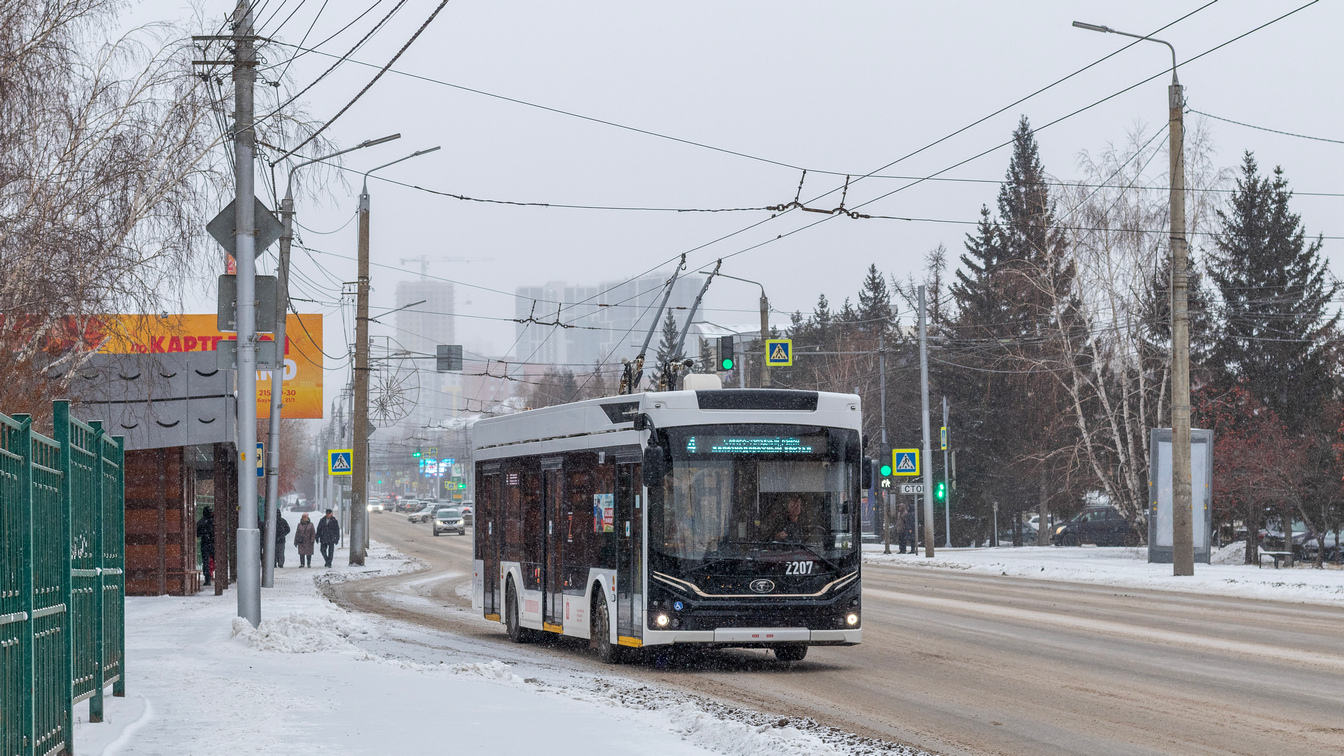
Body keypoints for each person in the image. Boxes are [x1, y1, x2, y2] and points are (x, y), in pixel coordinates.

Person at [196, 506, 215, 585]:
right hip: (214, 543)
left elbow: (197, 533)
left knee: (205, 561)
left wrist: (204, 534)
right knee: (216, 560)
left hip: (205, 543)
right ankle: (220, 576)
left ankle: (207, 579)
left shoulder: (201, 522)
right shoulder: (214, 521)